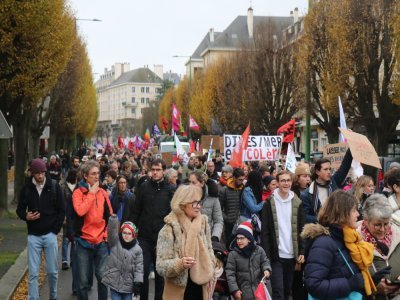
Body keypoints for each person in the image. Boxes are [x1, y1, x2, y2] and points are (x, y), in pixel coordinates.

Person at [301, 190, 376, 298]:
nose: (358, 214)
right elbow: (314, 285)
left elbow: (347, 274)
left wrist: (373, 280)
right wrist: (349, 284)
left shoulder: (346, 238)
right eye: (354, 210)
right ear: (342, 213)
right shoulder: (324, 243)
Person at [16, 158, 65, 300]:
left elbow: (62, 210)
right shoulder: (26, 189)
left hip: (50, 235)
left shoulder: (54, 187)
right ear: (32, 173)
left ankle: (53, 296)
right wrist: (26, 216)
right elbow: (19, 210)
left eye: (42, 173)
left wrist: (55, 231)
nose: (40, 176)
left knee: (52, 272)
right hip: (33, 236)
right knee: (33, 273)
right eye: (37, 173)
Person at [156, 185, 215, 299]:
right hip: (178, 292)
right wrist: (180, 264)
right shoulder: (169, 229)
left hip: (201, 289)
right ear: (182, 205)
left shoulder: (203, 224)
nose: (198, 206)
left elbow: (209, 249)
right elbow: (160, 266)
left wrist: (211, 264)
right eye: (194, 203)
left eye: (199, 202)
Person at [132, 158, 175, 300]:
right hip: (144, 236)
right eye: (153, 170)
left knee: (160, 275)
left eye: (158, 170)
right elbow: (136, 210)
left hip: (162, 239)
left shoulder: (170, 190)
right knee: (143, 271)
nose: (155, 173)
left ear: (163, 171)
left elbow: (173, 214)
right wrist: (131, 230)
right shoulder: (143, 187)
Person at [72, 160, 113, 300]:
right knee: (83, 282)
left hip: (100, 242)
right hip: (83, 242)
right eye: (93, 174)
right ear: (85, 175)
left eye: (98, 173)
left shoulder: (103, 193)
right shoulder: (77, 193)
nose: (97, 177)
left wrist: (106, 236)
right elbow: (80, 211)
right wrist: (91, 194)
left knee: (102, 278)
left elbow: (110, 217)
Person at [261, 170, 305, 300]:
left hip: (292, 255)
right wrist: (267, 256)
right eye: (283, 181)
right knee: (278, 291)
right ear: (277, 183)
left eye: (288, 180)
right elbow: (265, 232)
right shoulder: (269, 203)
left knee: (287, 291)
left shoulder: (298, 203)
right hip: (276, 256)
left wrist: (302, 250)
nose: (286, 183)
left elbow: (303, 229)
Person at [357, 194, 400, 298]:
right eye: (377, 225)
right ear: (366, 220)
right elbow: (352, 279)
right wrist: (373, 287)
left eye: (386, 224)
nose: (383, 229)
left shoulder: (397, 232)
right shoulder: (355, 241)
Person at [301, 149, 353, 224]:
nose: (329, 172)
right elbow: (305, 217)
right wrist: (323, 218)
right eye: (325, 169)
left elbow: (345, 167)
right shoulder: (307, 194)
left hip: (336, 229)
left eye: (330, 169)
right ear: (317, 172)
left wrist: (350, 150)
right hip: (318, 231)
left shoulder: (334, 182)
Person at [226, 222, 271, 300]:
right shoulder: (233, 255)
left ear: (249, 239)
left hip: (259, 292)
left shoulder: (259, 250)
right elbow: (230, 274)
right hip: (243, 294)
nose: (239, 241)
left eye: (242, 238)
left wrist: (266, 269)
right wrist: (235, 290)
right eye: (237, 238)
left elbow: (265, 261)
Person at [102, 215, 144, 300]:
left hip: (128, 287)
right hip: (114, 283)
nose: (126, 235)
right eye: (124, 233)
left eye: (129, 233)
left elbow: (139, 268)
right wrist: (113, 220)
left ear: (133, 235)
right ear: (121, 233)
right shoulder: (115, 242)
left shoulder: (138, 249)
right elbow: (111, 233)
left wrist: (138, 283)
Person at [189, 170, 224, 242]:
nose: (190, 185)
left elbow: (218, 220)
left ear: (202, 183)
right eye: (189, 182)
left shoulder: (213, 198)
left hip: (207, 239)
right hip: (190, 238)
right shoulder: (186, 197)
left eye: (193, 183)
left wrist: (215, 236)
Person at [219, 168, 245, 248]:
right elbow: (219, 208)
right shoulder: (224, 190)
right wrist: (226, 218)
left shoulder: (243, 189)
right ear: (234, 178)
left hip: (241, 223)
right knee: (229, 246)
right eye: (240, 179)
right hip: (229, 224)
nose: (242, 182)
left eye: (243, 180)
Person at [60, 169, 78, 271]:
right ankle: (64, 260)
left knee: (73, 238)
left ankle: (72, 260)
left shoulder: (78, 187)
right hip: (66, 215)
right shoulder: (64, 187)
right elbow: (61, 202)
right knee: (66, 238)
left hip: (75, 216)